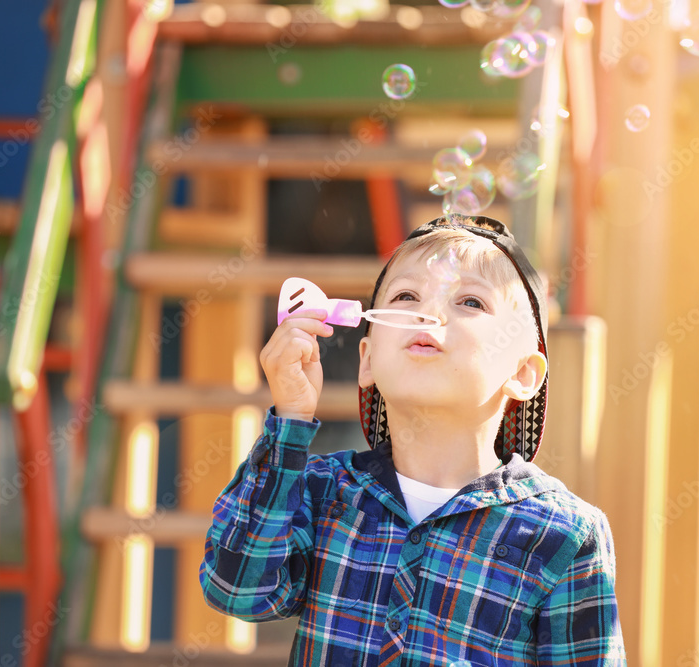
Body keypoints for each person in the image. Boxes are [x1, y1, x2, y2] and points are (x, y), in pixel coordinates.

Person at [199, 215, 626, 666]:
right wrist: (290, 418)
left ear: (522, 374)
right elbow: (238, 590)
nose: (430, 314)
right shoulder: (324, 492)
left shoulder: (564, 534)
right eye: (406, 296)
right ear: (367, 360)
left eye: (470, 301)